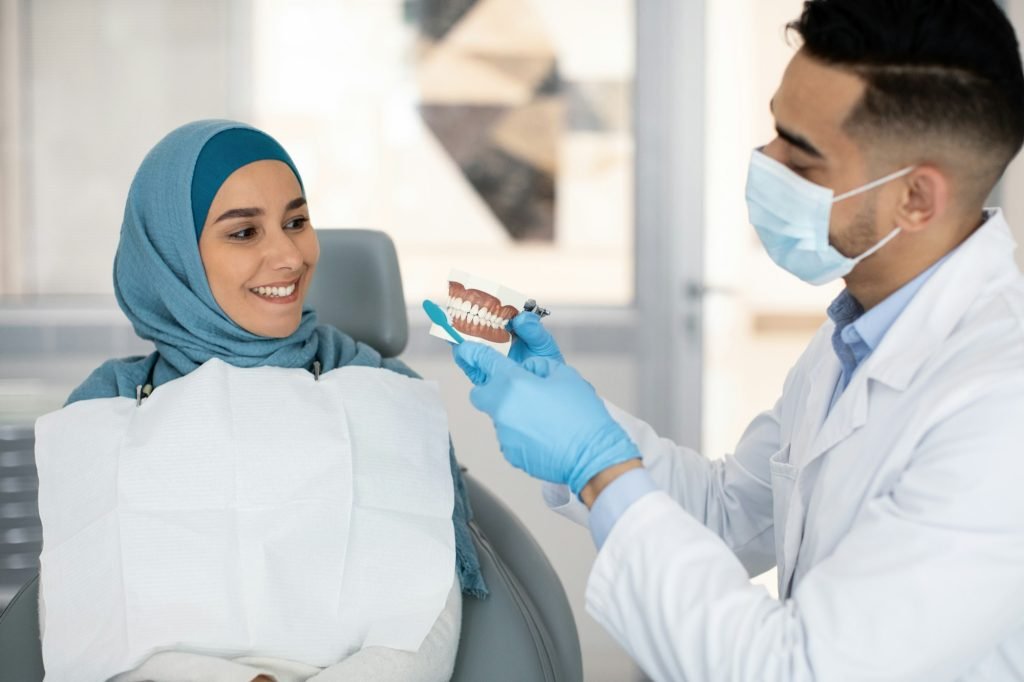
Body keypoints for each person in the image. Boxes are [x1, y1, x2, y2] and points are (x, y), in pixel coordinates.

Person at [450, 0, 1024, 679]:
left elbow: (799, 670)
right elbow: (730, 515)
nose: (764, 161)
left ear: (917, 200)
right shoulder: (858, 335)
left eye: (801, 159)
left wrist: (599, 468)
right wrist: (580, 418)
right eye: (775, 130)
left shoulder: (1000, 408)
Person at [37, 120, 486, 682]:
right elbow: (84, 624)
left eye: (296, 222)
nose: (290, 256)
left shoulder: (378, 386)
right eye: (244, 233)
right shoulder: (109, 406)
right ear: (171, 256)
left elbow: (423, 616)